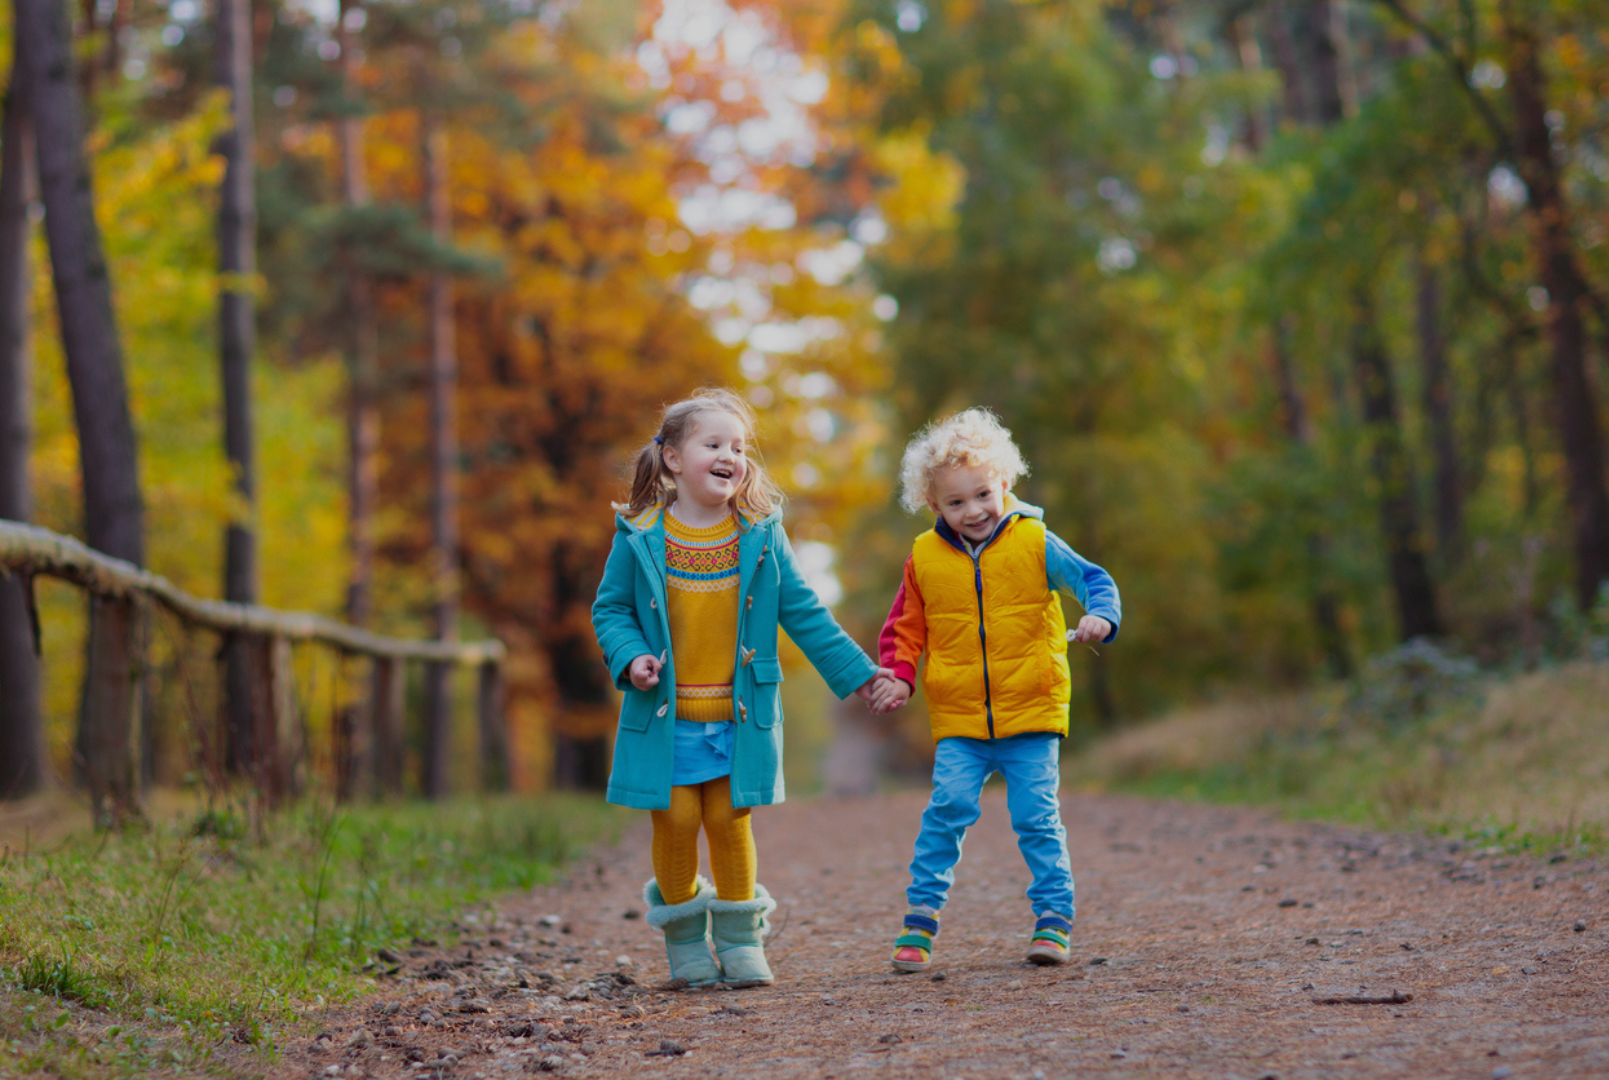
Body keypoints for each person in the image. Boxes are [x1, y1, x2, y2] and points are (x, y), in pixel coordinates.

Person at [592, 387, 893, 988]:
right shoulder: (640, 534)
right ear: (674, 459)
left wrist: (862, 675)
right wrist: (630, 659)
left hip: (739, 713)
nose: (731, 455)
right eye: (714, 444)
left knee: (730, 821)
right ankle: (685, 943)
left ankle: (739, 938)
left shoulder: (759, 536)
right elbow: (611, 610)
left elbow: (806, 614)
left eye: (739, 446)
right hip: (666, 716)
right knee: (675, 822)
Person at [874, 407, 1121, 970]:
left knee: (1036, 815)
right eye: (955, 503)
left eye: (983, 494)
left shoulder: (1035, 540)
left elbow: (1093, 579)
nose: (974, 511)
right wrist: (900, 676)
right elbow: (905, 629)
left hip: (1032, 708)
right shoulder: (924, 558)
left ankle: (1053, 920)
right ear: (934, 505)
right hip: (960, 716)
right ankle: (919, 922)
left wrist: (1102, 616)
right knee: (949, 807)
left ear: (1004, 485)